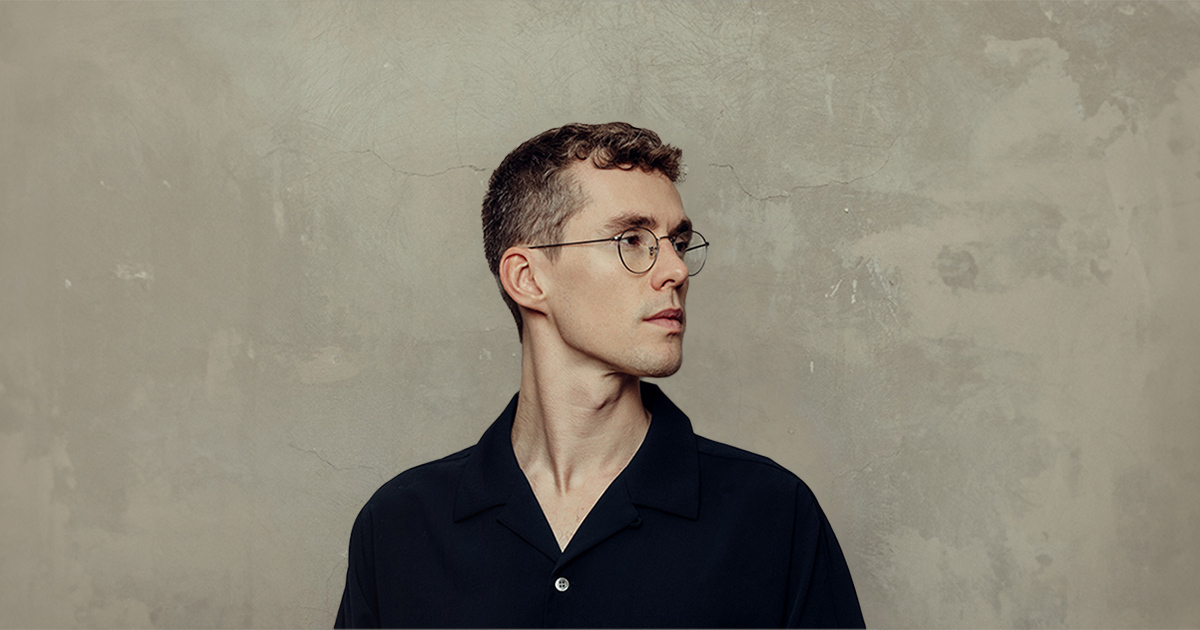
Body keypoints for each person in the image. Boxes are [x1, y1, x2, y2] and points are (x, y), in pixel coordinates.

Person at [334, 122, 865, 628]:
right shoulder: (399, 526)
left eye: (678, 242)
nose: (676, 270)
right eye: (631, 239)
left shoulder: (772, 515)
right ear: (528, 278)